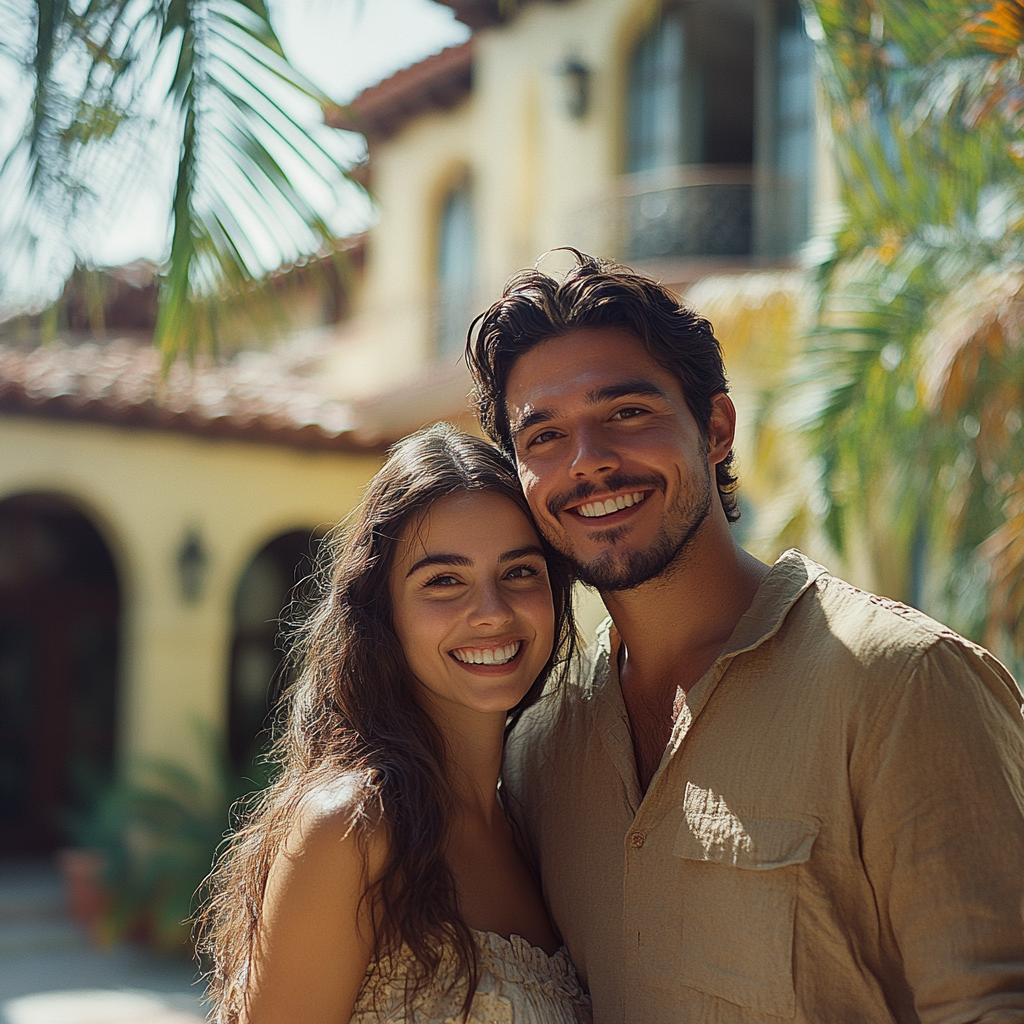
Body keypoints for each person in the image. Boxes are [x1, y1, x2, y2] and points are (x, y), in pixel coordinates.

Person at [466, 251, 1024, 1024]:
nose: (588, 462)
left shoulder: (901, 684)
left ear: (717, 428)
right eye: (545, 437)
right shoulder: (538, 747)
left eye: (626, 413)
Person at [198, 423, 592, 1024]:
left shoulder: (534, 828)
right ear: (384, 615)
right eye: (443, 581)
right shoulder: (352, 828)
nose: (491, 613)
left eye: (519, 572)